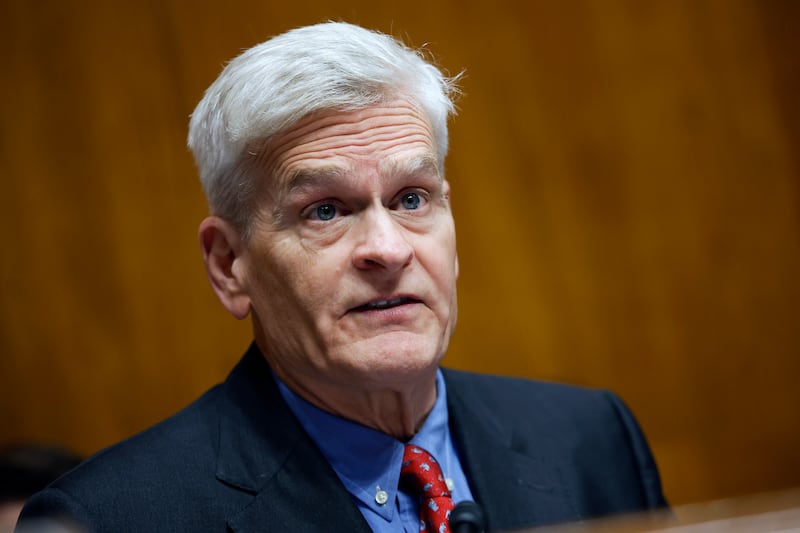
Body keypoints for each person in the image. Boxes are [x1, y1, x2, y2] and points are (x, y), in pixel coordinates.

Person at [18, 22, 667, 532]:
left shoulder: (591, 435)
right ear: (228, 265)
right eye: (324, 210)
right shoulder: (113, 518)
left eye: (412, 198)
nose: (387, 249)